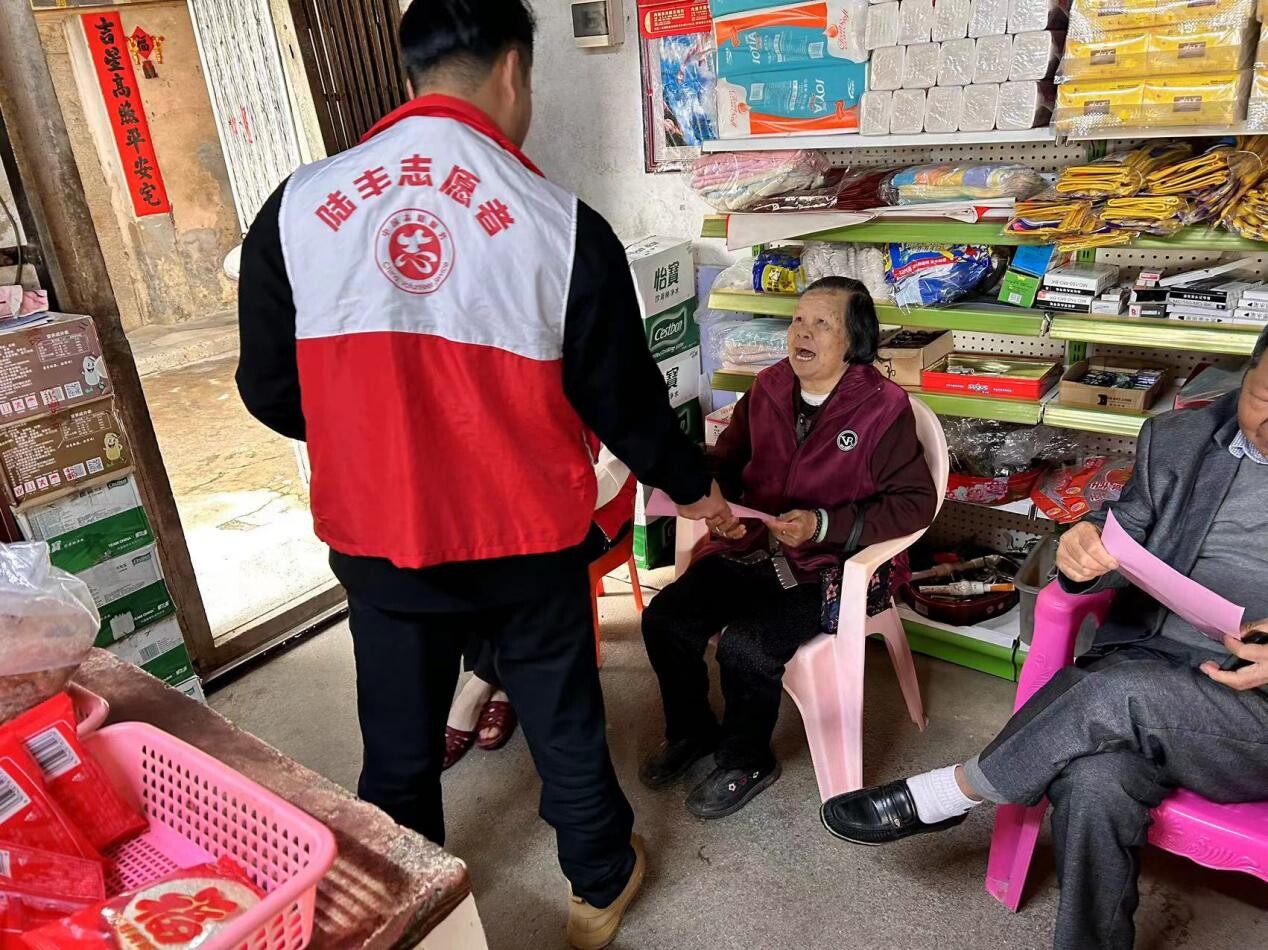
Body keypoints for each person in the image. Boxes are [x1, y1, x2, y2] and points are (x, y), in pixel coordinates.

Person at [234, 3, 736, 947]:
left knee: (397, 739)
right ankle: (598, 883)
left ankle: (405, 905)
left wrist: (369, 438)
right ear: (513, 71)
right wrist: (696, 485)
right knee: (562, 716)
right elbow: (624, 404)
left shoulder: (299, 207)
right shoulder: (558, 223)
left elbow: (267, 389)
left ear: (413, 71)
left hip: (378, 533)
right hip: (523, 537)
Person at [820, 324, 1268, 950]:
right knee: (1093, 783)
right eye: (1263, 399)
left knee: (1112, 693)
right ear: (1246, 379)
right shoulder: (1181, 439)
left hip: (1251, 709)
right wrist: (1083, 549)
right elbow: (1119, 538)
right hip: (1151, 658)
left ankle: (951, 792)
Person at [639, 277, 938, 818]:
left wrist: (824, 524)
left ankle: (747, 758)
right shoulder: (770, 386)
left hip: (829, 568)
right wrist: (719, 504)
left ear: (854, 342)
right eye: (799, 320)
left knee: (747, 647)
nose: (803, 332)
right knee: (666, 619)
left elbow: (915, 504)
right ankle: (691, 730)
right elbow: (729, 462)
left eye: (822, 323)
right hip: (755, 548)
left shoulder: (883, 408)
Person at [444, 446, 636, 768]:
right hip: (528, 503)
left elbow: (612, 472)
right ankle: (502, 686)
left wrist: (536, 505)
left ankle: (477, 688)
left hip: (596, 510)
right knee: (477, 548)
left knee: (528, 566)